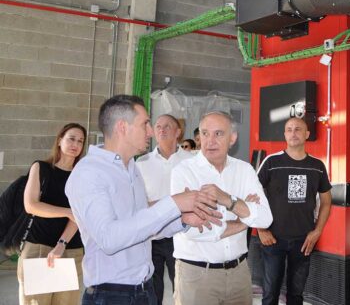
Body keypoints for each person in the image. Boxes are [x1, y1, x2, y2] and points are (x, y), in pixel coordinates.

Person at [66, 95, 222, 305]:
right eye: (145, 124)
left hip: (143, 290)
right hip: (112, 295)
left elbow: (143, 225)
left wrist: (182, 220)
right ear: (122, 127)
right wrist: (174, 203)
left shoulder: (130, 168)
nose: (151, 131)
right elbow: (109, 238)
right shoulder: (89, 173)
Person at [171, 111, 273, 305]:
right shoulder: (184, 172)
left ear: (232, 138)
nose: (210, 140)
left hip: (239, 274)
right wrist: (244, 218)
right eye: (205, 133)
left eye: (218, 134)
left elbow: (265, 218)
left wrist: (228, 200)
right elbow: (194, 230)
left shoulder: (244, 170)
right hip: (197, 276)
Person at [257, 117, 332, 305]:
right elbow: (252, 195)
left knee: (296, 294)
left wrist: (317, 231)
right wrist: (260, 229)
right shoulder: (271, 162)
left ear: (307, 135)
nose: (293, 133)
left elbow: (326, 201)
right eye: (289, 129)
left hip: (303, 239)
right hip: (273, 239)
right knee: (270, 293)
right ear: (284, 134)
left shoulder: (317, 166)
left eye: (298, 129)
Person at [19, 123, 87, 305]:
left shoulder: (82, 175)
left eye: (80, 141)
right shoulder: (41, 168)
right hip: (38, 247)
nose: (76, 144)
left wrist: (61, 244)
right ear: (59, 140)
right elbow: (31, 205)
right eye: (71, 138)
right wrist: (67, 212)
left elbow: (78, 215)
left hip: (70, 249)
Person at [136, 114, 193, 305]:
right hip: (151, 237)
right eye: (158, 126)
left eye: (167, 126)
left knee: (183, 289)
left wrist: (159, 203)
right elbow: (138, 203)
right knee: (152, 291)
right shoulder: (141, 163)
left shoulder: (192, 161)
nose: (161, 130)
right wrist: (174, 202)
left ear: (178, 132)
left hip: (183, 235)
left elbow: (194, 197)